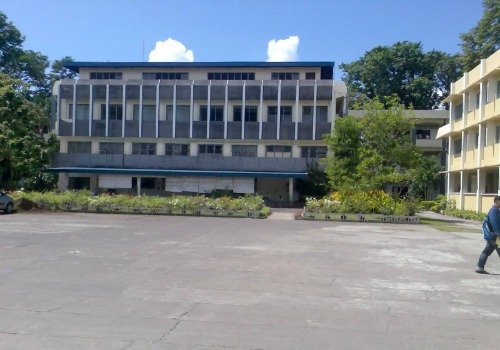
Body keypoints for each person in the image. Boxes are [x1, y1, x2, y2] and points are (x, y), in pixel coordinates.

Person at [476, 196, 500, 274]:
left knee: (486, 251)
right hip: (496, 237)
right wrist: (498, 234)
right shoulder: (494, 211)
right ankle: (479, 267)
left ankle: (479, 267)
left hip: (493, 236)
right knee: (488, 251)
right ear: (496, 201)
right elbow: (495, 224)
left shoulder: (496, 210)